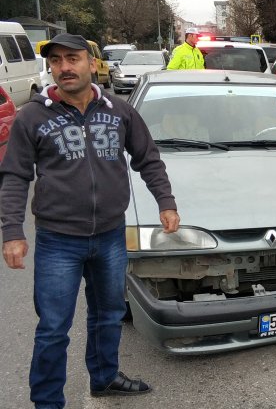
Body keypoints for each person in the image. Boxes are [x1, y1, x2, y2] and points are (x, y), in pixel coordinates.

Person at [0, 33, 180, 408]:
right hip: (57, 240)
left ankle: (104, 377)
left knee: (109, 314)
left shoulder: (120, 111)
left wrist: (166, 201)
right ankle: (47, 401)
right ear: (50, 67)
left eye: (73, 59)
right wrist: (12, 230)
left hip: (110, 236)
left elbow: (148, 158)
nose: (64, 67)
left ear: (91, 63)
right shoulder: (32, 117)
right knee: (52, 328)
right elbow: (16, 175)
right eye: (57, 61)